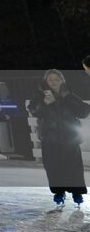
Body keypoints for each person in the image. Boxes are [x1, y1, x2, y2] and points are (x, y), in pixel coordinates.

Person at [25, 69, 89, 208]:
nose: (54, 82)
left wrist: (68, 98)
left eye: (56, 79)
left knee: (74, 168)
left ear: (62, 80)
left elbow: (84, 111)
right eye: (51, 80)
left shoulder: (69, 94)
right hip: (50, 138)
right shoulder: (40, 95)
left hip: (70, 139)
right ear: (46, 81)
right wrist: (44, 104)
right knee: (53, 168)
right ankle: (59, 192)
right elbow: (33, 110)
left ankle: (76, 192)